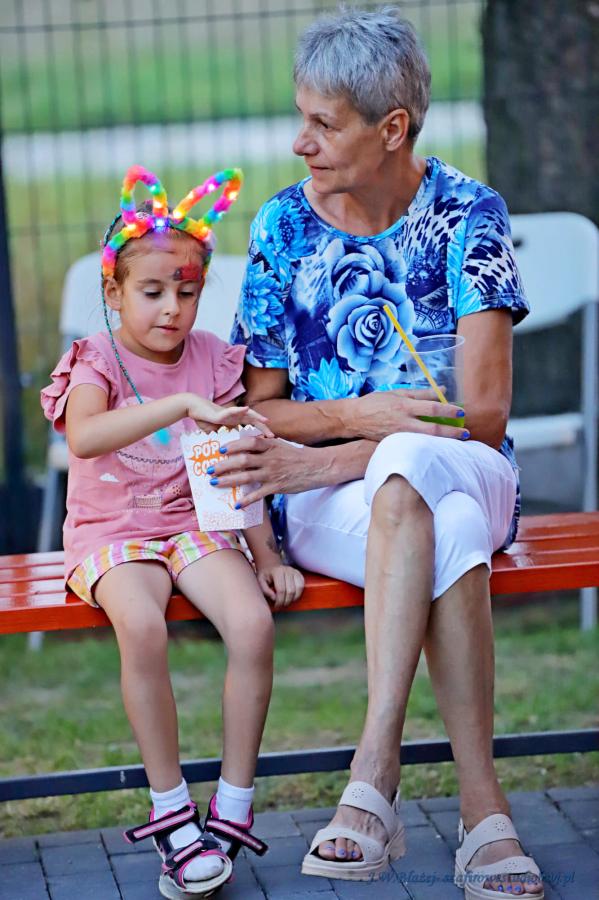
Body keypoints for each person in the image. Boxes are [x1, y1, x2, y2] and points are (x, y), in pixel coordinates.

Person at [208, 7, 545, 898]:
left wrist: (333, 454)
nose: (300, 143)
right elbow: (260, 413)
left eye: (323, 124)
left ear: (391, 128)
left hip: (460, 468)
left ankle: (374, 773)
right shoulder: (283, 228)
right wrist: (365, 416)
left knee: (419, 474)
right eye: (302, 118)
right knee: (438, 517)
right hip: (356, 510)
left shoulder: (468, 214)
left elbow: (480, 420)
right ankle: (483, 812)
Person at [40, 165, 304, 900]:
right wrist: (181, 404)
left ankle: (233, 805)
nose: (171, 309)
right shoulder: (95, 358)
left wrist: (266, 555)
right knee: (142, 626)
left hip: (193, 522)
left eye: (186, 293)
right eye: (152, 292)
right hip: (114, 529)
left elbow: (232, 464)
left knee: (251, 624)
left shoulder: (211, 357)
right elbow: (85, 438)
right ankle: (171, 813)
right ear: (114, 292)